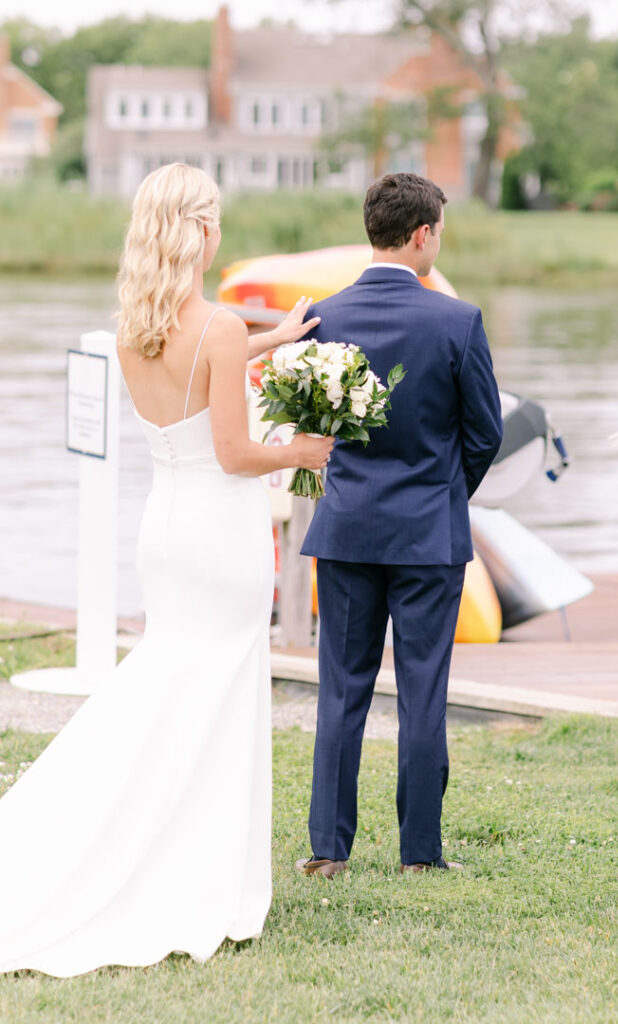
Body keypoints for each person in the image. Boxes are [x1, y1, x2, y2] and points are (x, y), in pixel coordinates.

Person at [0, 162, 333, 977]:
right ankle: (195, 872)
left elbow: (200, 376)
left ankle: (148, 843)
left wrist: (272, 340)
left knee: (175, 686)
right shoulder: (213, 324)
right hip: (219, 535)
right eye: (214, 215)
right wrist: (300, 450)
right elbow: (232, 451)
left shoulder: (134, 328)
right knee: (213, 697)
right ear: (199, 229)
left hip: (165, 530)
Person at [296, 173, 503, 878]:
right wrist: (443, 493)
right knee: (422, 690)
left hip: (347, 529)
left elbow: (311, 424)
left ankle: (328, 848)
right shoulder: (456, 321)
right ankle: (419, 855)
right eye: (438, 231)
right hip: (426, 535)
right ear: (421, 235)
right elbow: (484, 434)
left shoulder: (321, 317)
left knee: (342, 688)